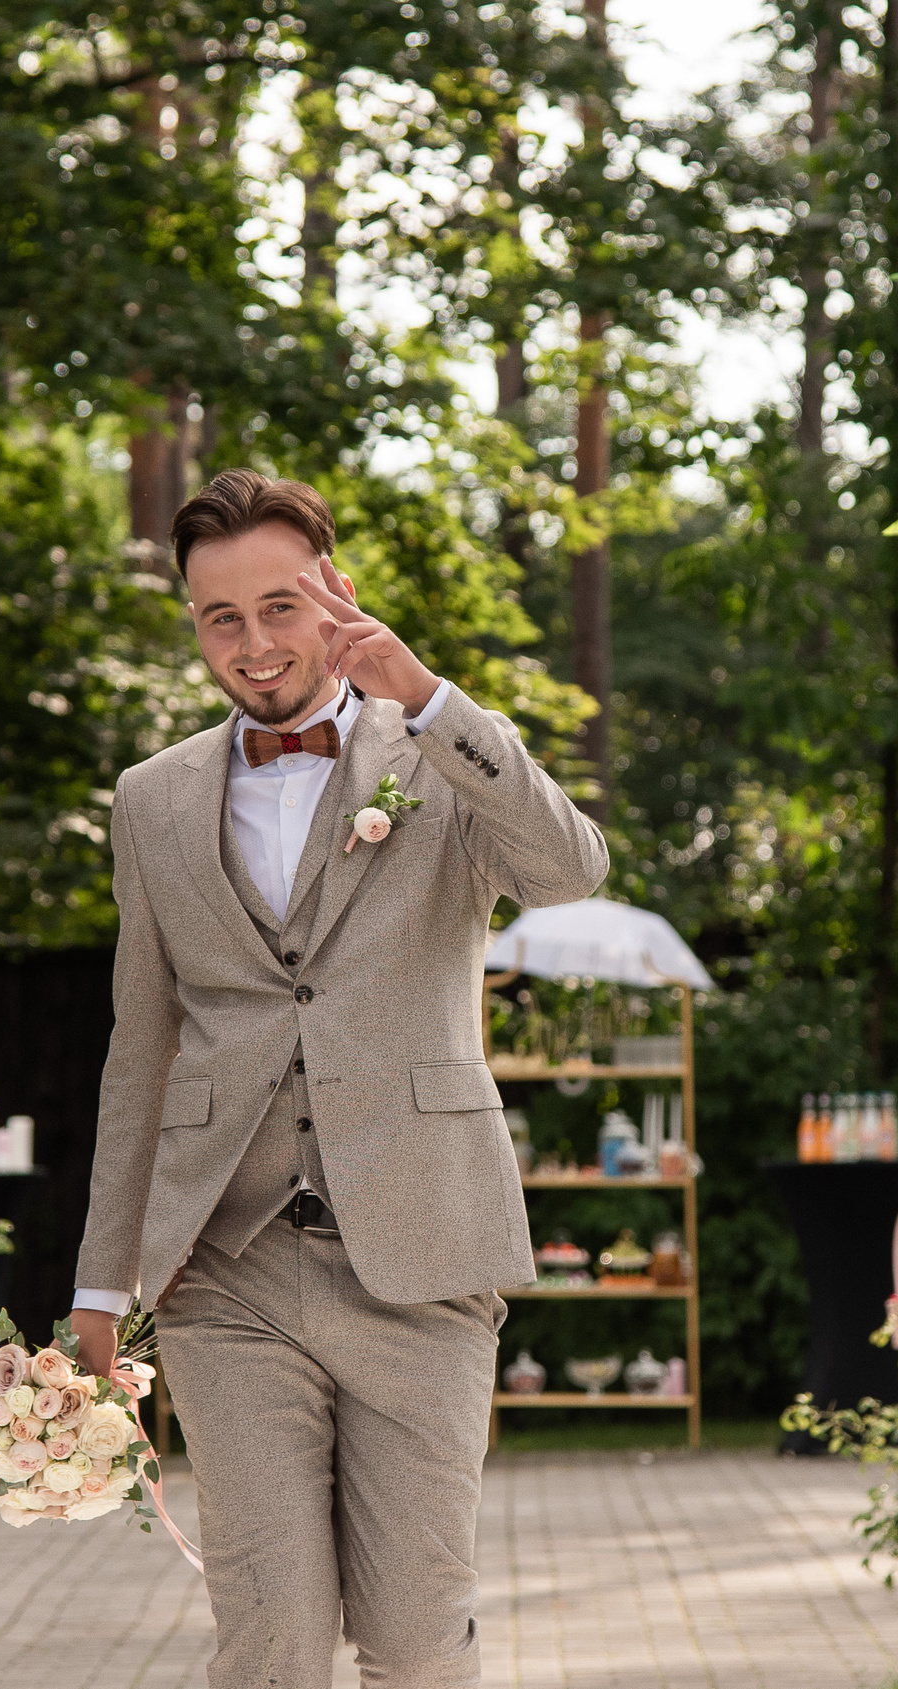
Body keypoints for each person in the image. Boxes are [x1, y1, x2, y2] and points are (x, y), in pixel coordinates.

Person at [70, 469, 607, 1686]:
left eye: (279, 607)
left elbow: (571, 869)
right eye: (221, 618)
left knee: (418, 1644)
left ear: (334, 598)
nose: (253, 645)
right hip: (227, 1266)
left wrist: (423, 699)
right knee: (270, 1642)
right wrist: (105, 1281)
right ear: (194, 627)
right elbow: (139, 1047)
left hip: (422, 1254)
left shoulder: (437, 757)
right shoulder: (151, 803)